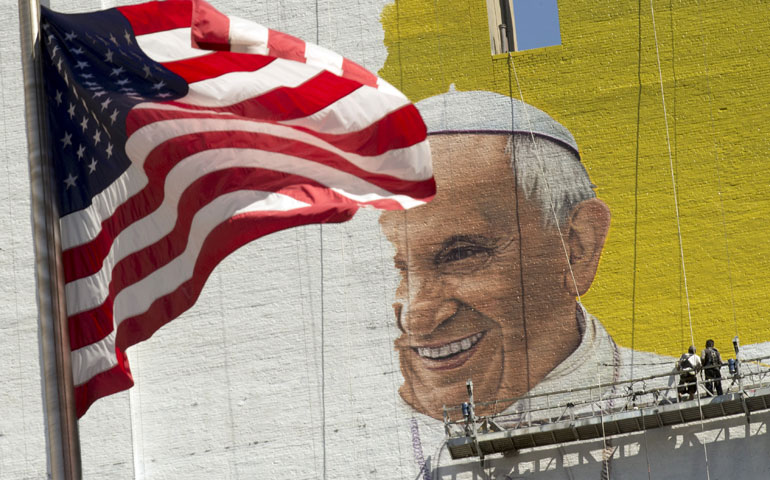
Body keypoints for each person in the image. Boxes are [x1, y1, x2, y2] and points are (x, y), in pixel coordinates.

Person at [379, 89, 675, 424]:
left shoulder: (690, 404)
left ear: (578, 247)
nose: (416, 317)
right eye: (392, 267)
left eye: (461, 255)